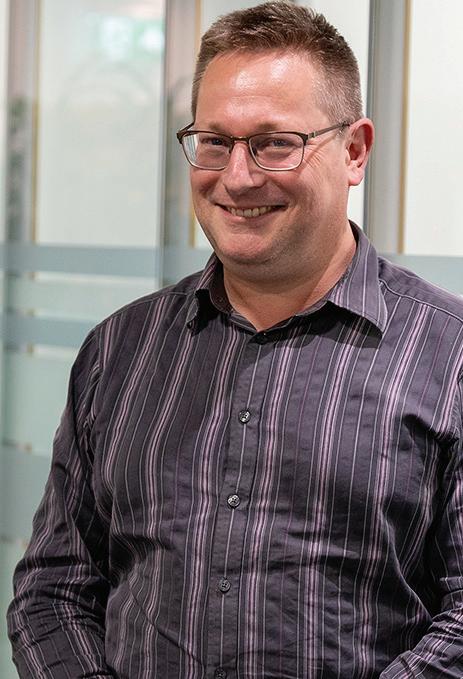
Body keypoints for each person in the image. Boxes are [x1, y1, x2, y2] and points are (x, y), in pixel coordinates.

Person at [7, 2, 463, 677]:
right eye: (214, 142)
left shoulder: (448, 356)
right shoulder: (119, 351)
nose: (238, 176)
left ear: (354, 150)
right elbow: (53, 589)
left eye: (274, 143)